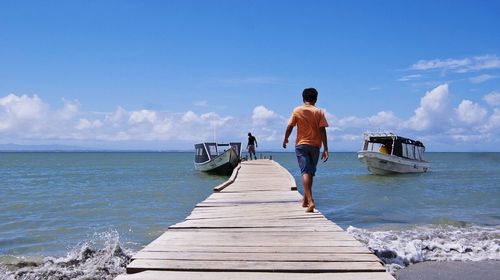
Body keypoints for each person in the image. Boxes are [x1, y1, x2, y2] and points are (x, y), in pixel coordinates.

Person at [282, 88, 329, 213]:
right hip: (315, 146)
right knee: (310, 172)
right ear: (316, 99)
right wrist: (326, 148)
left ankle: (310, 200)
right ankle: (305, 200)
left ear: (303, 99)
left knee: (305, 172)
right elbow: (322, 130)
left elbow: (290, 126)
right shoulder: (319, 112)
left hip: (302, 145)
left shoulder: (297, 110)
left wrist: (286, 138)